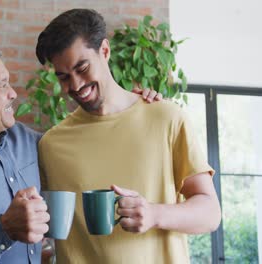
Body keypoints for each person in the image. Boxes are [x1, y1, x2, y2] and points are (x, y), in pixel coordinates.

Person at [0, 40, 161, 263]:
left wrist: (133, 107)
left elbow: (81, 145)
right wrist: (2, 230)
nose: (13, 93)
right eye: (2, 85)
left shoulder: (25, 140)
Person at [36, 9, 221, 263]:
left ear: (105, 50)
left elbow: (210, 213)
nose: (76, 85)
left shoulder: (166, 118)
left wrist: (154, 214)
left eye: (82, 68)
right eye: (64, 77)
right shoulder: (51, 144)